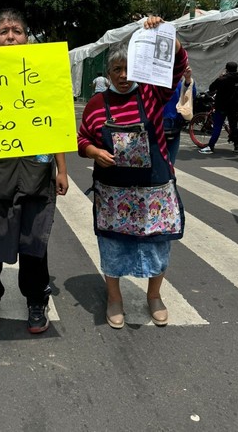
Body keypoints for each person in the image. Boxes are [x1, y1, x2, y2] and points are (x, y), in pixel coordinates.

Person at [77, 17, 188, 328]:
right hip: (114, 192)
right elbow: (82, 138)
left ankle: (154, 295)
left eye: (129, 69)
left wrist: (165, 33)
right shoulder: (97, 103)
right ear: (108, 74)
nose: (123, 76)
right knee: (112, 245)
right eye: (116, 70)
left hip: (154, 188)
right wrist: (94, 152)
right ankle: (114, 298)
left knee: (158, 244)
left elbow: (178, 64)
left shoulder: (154, 94)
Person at [0, 8, 69, 335]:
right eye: (3, 31)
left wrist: (61, 169)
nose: (11, 36)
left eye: (18, 30)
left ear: (27, 37)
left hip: (35, 173)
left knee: (34, 239)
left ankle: (36, 300)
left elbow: (56, 123)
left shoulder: (44, 71)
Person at [199, 61, 238, 154]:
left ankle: (210, 146)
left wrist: (220, 77)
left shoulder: (222, 79)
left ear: (226, 69)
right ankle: (237, 146)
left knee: (217, 126)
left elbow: (211, 88)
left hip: (222, 106)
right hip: (234, 106)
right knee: (234, 126)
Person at [163, 65, 196, 165]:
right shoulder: (155, 81)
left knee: (170, 162)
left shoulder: (179, 82)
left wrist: (188, 79)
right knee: (160, 162)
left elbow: (190, 97)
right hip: (158, 124)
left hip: (175, 124)